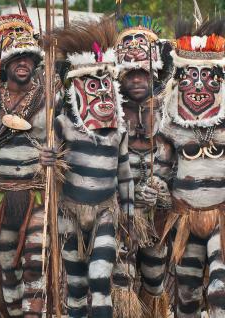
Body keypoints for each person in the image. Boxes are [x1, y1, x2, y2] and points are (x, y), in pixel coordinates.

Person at [0, 13, 52, 317]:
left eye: (29, 58)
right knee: (7, 266)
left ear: (35, 63)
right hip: (1, 195)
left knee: (35, 261)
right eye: (17, 57)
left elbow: (63, 144)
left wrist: (52, 157)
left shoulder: (49, 100)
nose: (23, 63)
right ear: (3, 64)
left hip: (36, 194)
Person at [52, 18, 135, 317]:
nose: (100, 92)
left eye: (105, 84)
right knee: (75, 285)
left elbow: (124, 176)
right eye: (91, 84)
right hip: (69, 213)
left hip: (104, 211)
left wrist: (129, 216)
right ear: (75, 90)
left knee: (100, 278)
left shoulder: (119, 132)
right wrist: (49, 160)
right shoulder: (62, 125)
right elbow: (49, 168)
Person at [156, 19, 225, 317]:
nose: (198, 85)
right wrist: (156, 188)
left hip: (221, 217)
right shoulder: (171, 121)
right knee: (187, 293)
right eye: (191, 76)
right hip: (185, 217)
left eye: (208, 77)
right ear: (179, 78)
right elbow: (161, 167)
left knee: (220, 290)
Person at [112, 14, 171, 317]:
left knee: (154, 274)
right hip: (118, 209)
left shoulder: (168, 108)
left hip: (154, 212)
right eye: (130, 74)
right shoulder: (107, 106)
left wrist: (162, 189)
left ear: (154, 74)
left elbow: (178, 158)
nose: (136, 80)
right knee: (118, 275)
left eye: (142, 73)